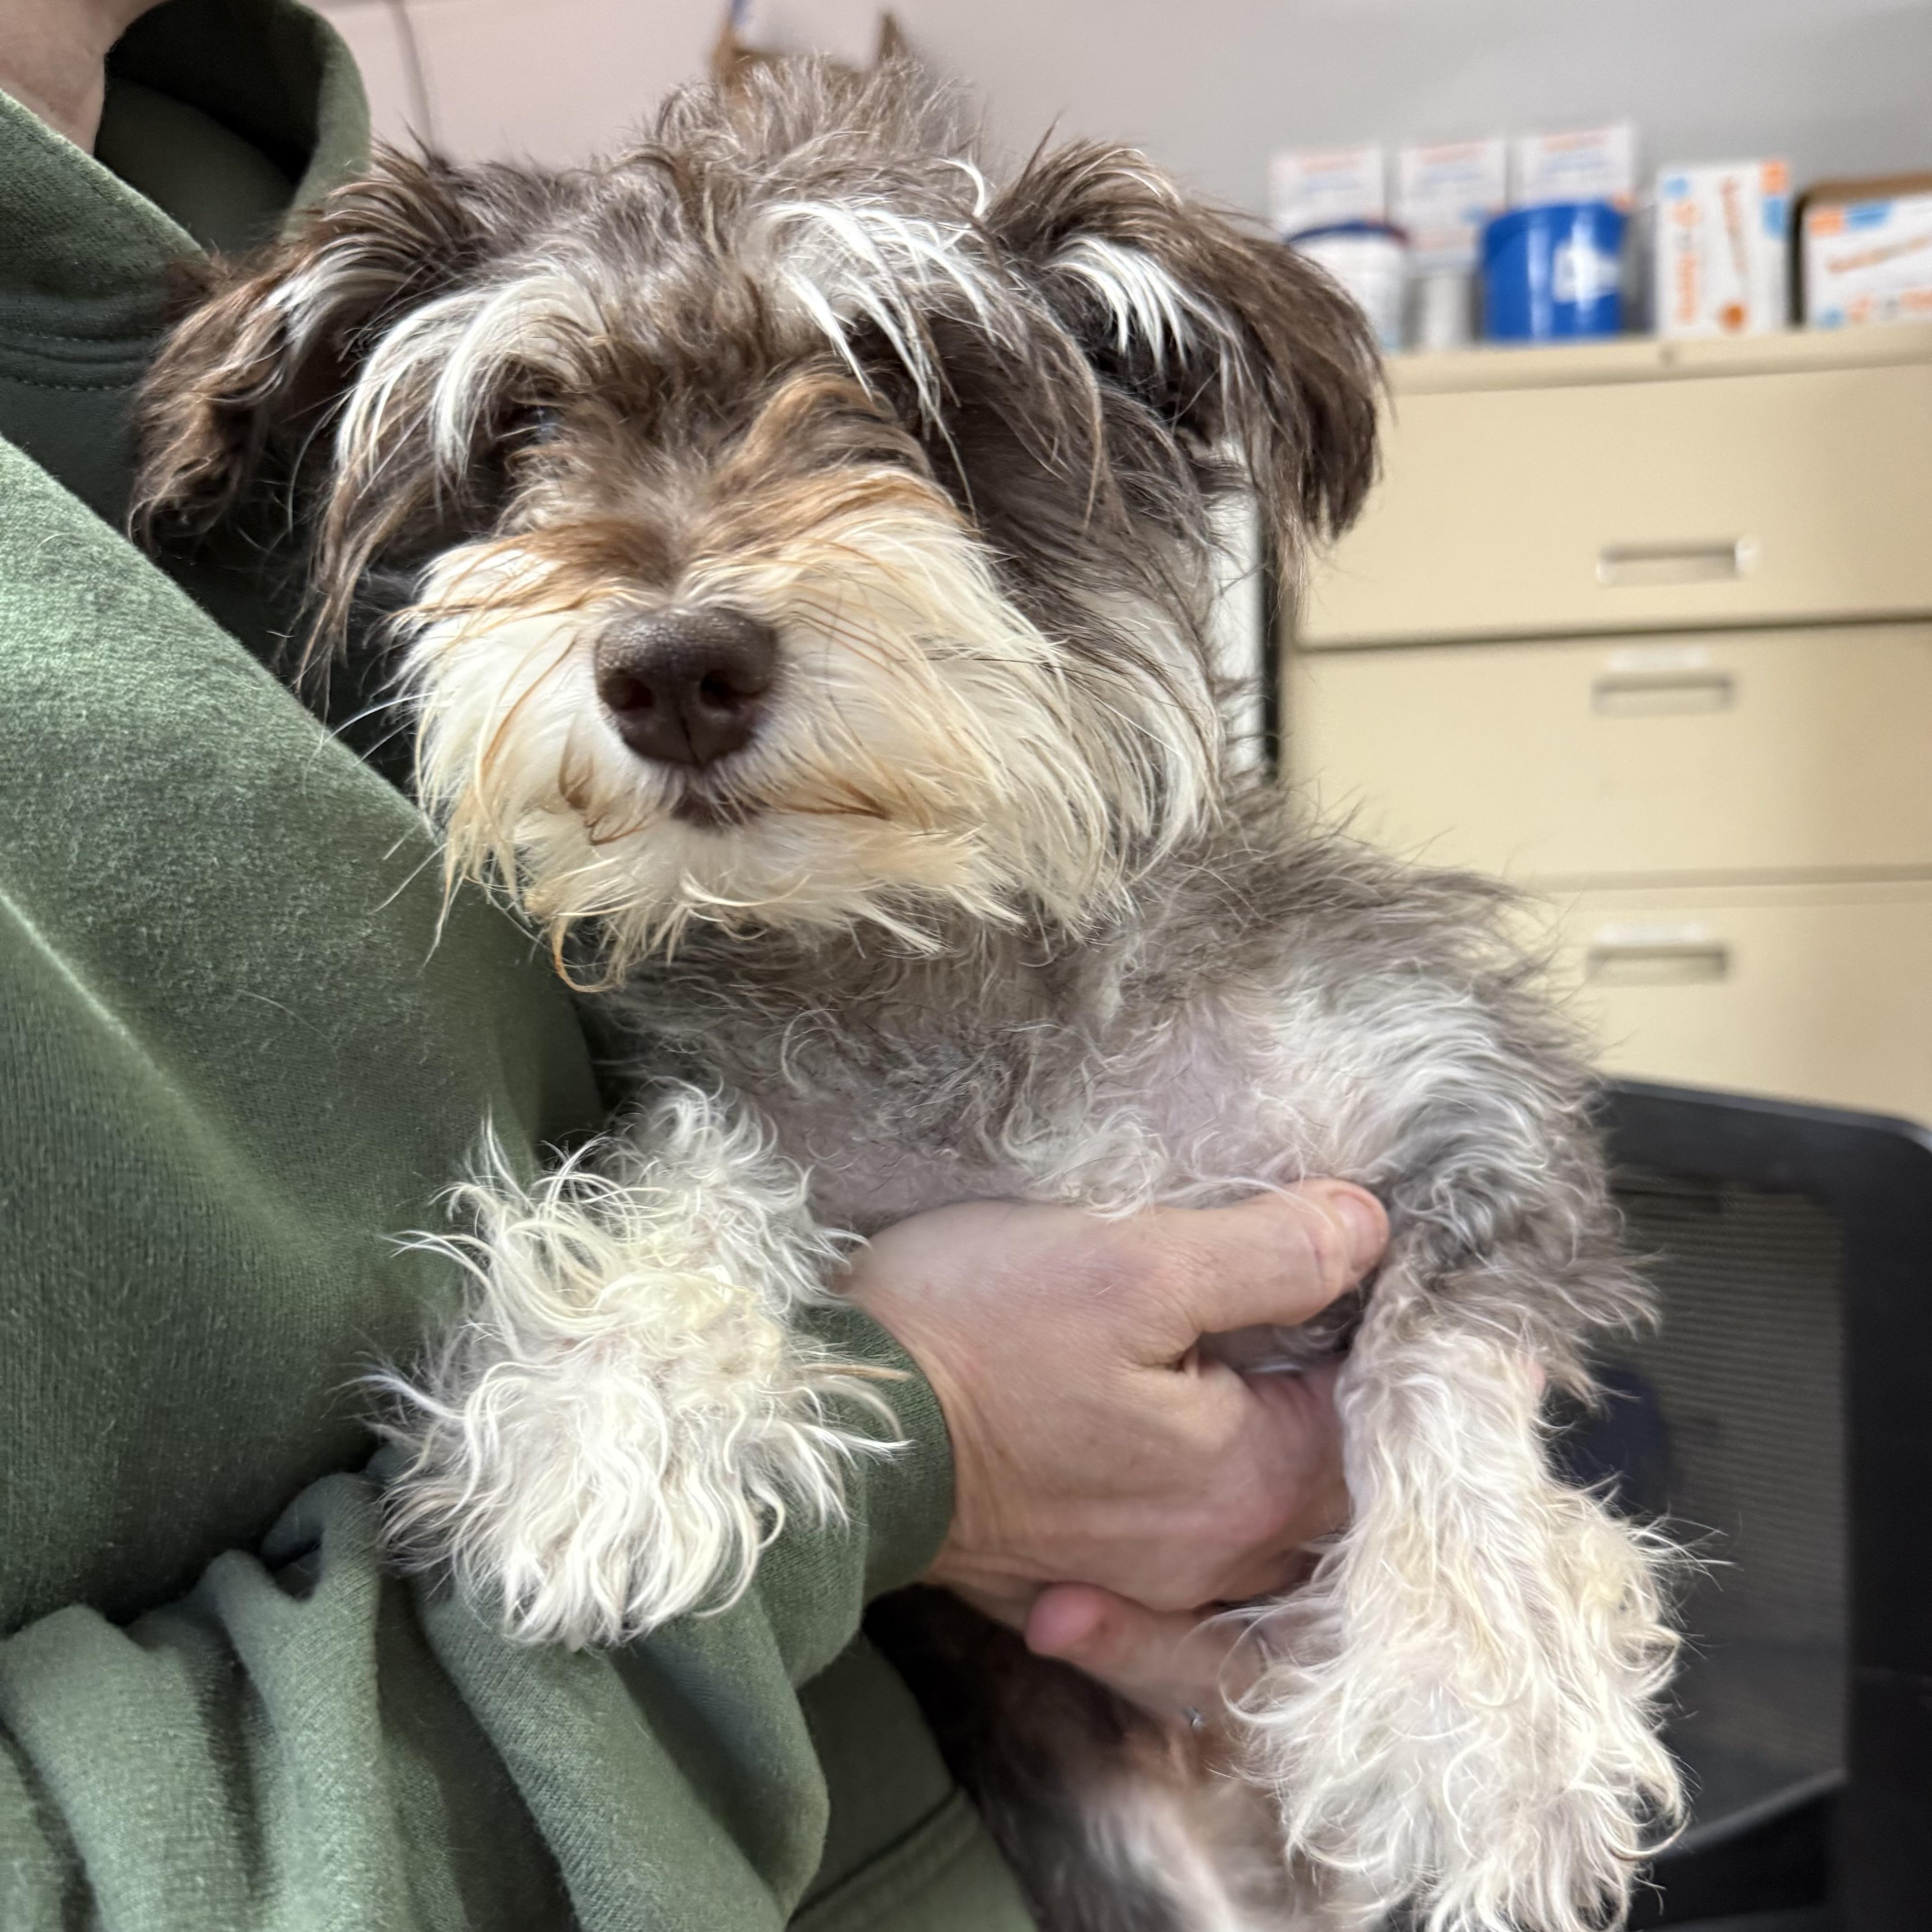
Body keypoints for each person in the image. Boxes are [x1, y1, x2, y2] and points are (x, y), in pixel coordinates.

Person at [0, 3, 1387, 1926]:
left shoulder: (268, 206)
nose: (671, 602)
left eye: (889, 415)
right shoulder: (335, 338)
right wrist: (926, 1433)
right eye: (522, 442)